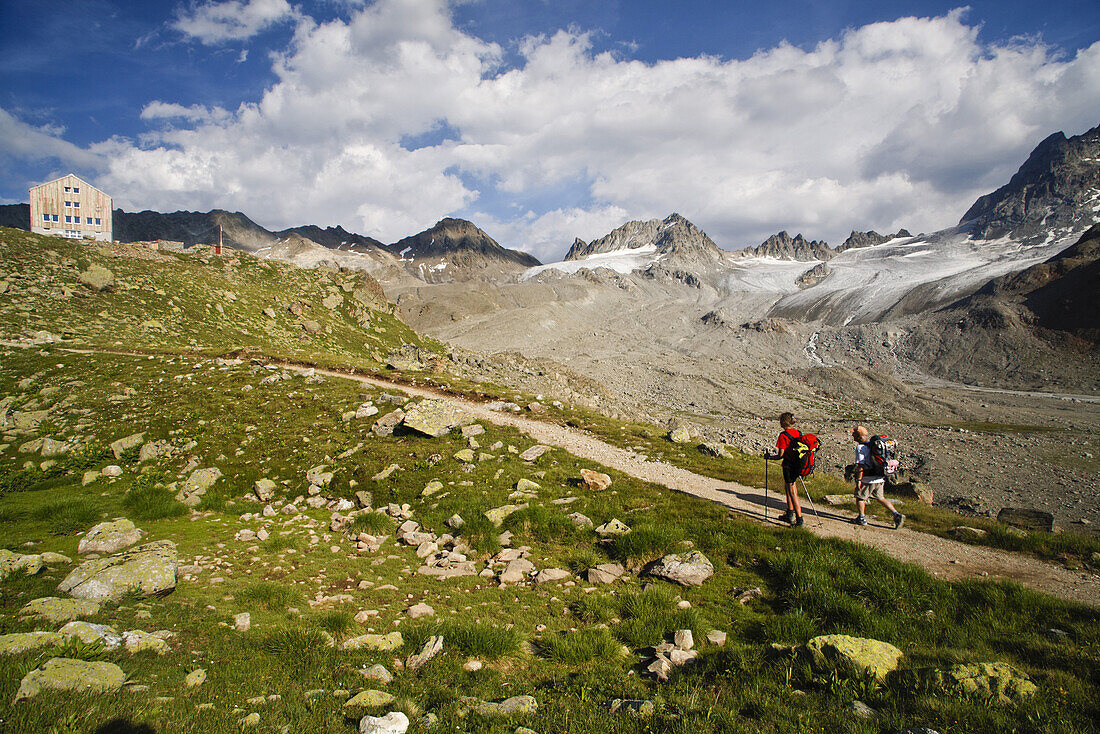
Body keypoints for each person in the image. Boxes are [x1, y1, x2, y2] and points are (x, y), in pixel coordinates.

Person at [850, 425, 904, 528]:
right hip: (880, 477)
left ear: (858, 436)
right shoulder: (873, 446)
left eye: (854, 434)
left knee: (860, 497)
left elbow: (860, 465)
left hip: (868, 478)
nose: (852, 435)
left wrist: (859, 480)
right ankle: (896, 514)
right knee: (880, 497)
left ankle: (861, 518)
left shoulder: (861, 447)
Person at [770, 412, 803, 527]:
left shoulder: (783, 435)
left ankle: (799, 519)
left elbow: (781, 455)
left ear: (783, 422)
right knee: (789, 487)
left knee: (792, 491)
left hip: (788, 466)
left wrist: (770, 457)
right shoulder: (798, 433)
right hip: (797, 465)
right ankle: (789, 513)